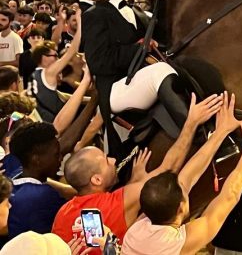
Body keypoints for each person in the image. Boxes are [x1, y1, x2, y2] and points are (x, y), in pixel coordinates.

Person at [51, 92, 222, 251]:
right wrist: (191, 123)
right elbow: (168, 169)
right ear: (96, 179)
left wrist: (133, 182)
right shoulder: (117, 202)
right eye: (105, 160)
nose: (113, 160)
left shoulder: (62, 213)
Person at [121, 95, 242, 255]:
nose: (184, 185)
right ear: (180, 208)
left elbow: (186, 179)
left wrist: (221, 132)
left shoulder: (137, 229)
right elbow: (229, 196)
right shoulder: (171, 245)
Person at [81, 0, 186, 156]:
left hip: (139, 81)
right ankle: (194, 129)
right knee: (159, 71)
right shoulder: (96, 14)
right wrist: (137, 49)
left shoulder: (137, 12)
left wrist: (162, 1)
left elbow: (165, 39)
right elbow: (98, 62)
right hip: (114, 89)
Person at [7, 122, 69, 240]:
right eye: (56, 155)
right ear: (36, 160)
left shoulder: (11, 174)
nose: (61, 158)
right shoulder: (43, 195)